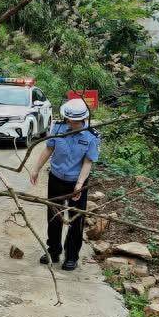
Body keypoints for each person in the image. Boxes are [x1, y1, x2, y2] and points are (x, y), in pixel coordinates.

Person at [29, 98, 100, 271]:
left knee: (76, 220)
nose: (70, 123)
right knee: (54, 216)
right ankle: (54, 250)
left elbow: (88, 162)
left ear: (82, 119)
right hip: (56, 179)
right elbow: (48, 149)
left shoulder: (92, 135)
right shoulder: (59, 127)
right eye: (68, 119)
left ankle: (71, 256)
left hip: (77, 182)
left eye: (74, 121)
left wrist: (80, 184)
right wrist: (36, 168)